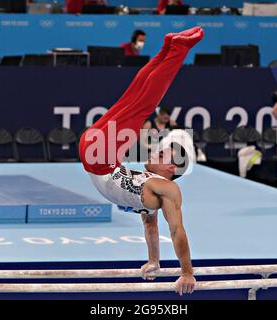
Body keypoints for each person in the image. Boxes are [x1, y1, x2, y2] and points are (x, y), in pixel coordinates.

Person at [79, 27, 205, 295]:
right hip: (101, 154)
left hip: (99, 156)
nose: (153, 153)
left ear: (172, 168)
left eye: (162, 155)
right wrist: (155, 261)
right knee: (137, 95)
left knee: (143, 101)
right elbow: (151, 224)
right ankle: (169, 47)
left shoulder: (167, 189)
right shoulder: (152, 189)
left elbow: (174, 230)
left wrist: (185, 272)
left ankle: (176, 48)